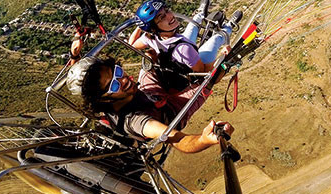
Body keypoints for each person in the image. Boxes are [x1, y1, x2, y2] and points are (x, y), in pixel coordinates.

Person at [67, 57, 233, 153]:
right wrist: (204, 140)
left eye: (118, 72)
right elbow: (179, 140)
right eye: (114, 85)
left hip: (147, 93)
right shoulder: (136, 121)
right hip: (172, 111)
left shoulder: (126, 91)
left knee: (150, 58)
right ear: (102, 99)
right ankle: (230, 62)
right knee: (209, 80)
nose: (123, 80)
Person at [128, 0, 242, 91]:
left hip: (178, 54)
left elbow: (132, 44)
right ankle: (229, 26)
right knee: (216, 39)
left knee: (192, 26)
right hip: (190, 61)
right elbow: (202, 73)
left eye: (166, 11)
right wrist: (222, 55)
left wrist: (141, 26)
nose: (170, 16)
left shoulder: (150, 37)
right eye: (162, 17)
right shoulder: (184, 50)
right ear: (154, 28)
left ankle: (200, 14)